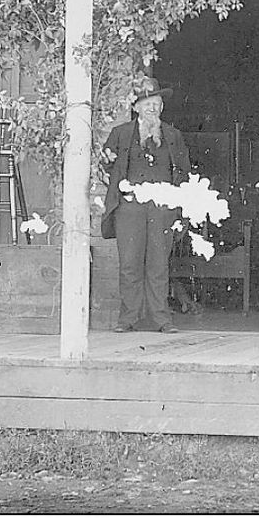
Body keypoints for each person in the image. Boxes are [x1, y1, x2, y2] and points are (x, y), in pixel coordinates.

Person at [100, 78, 190, 333]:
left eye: (157, 104)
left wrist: (174, 202)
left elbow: (183, 172)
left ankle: (162, 320)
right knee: (129, 264)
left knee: (159, 265)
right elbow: (104, 165)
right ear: (137, 108)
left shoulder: (173, 136)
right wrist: (115, 181)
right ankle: (127, 319)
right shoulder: (120, 134)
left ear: (161, 108)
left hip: (162, 210)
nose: (152, 108)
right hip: (130, 209)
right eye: (147, 104)